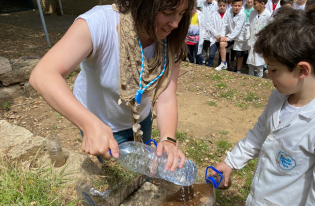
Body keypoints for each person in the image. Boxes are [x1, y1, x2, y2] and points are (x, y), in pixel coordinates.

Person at [212, 7, 315, 206]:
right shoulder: (279, 97)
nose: (269, 76)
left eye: (273, 70)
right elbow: (259, 133)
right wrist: (231, 162)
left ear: (302, 70)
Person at [29, 0, 194, 172]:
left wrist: (168, 139)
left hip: (140, 121)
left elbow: (166, 98)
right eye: (168, 12)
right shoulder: (100, 23)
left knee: (141, 172)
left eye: (182, 14)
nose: (175, 24)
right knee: (115, 177)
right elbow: (43, 75)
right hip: (101, 124)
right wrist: (88, 124)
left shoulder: (171, 41)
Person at [215, 0, 247, 73]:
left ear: (242, 5)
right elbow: (224, 24)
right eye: (235, 5)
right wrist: (223, 36)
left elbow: (237, 29)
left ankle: (238, 70)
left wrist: (228, 38)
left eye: (239, 6)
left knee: (239, 55)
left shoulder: (242, 14)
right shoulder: (228, 11)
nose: (237, 8)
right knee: (222, 43)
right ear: (232, 5)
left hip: (239, 37)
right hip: (230, 34)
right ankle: (223, 63)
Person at [245, 0, 271, 77]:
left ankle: (259, 78)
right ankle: (250, 76)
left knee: (259, 63)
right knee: (250, 62)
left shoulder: (268, 15)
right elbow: (248, 25)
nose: (253, 5)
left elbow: (269, 30)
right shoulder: (252, 13)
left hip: (260, 43)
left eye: (255, 4)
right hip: (251, 41)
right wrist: (248, 36)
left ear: (262, 4)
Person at [208, 0, 227, 67]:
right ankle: (209, 66)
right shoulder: (214, 14)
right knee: (211, 54)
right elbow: (211, 26)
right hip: (215, 38)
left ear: (226, 5)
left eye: (223, 5)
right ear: (218, 5)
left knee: (221, 55)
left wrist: (222, 37)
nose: (222, 7)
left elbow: (227, 27)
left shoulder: (228, 15)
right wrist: (217, 35)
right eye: (220, 5)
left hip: (224, 38)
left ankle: (220, 67)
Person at [199, 0, 219, 65]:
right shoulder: (202, 3)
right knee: (204, 45)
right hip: (204, 28)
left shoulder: (216, 5)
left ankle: (211, 60)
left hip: (213, 29)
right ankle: (204, 59)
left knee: (212, 46)